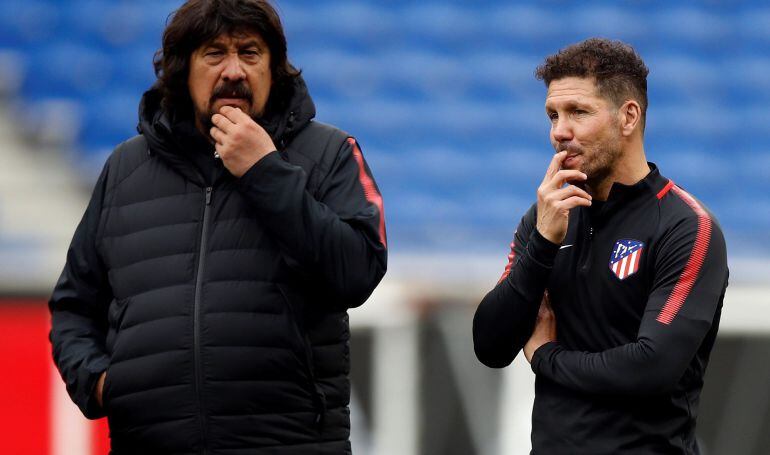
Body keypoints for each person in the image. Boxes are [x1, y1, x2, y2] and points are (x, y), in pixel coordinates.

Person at [48, 0, 387, 453]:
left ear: (275, 68)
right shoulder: (126, 169)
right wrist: (102, 382)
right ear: (182, 70)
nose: (233, 70)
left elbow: (358, 273)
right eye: (214, 54)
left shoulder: (328, 154)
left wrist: (265, 170)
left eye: (250, 53)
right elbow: (74, 305)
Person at [473, 38, 728, 454]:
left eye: (578, 112)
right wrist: (542, 243)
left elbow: (651, 368)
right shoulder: (548, 218)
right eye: (552, 115)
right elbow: (490, 345)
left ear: (629, 116)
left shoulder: (687, 227)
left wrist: (546, 358)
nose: (560, 131)